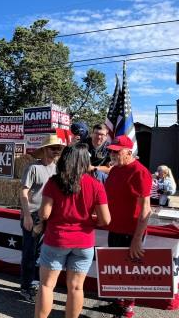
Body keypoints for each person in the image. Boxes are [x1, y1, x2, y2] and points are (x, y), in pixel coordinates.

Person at [34, 143, 110, 318]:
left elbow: (44, 214)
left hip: (56, 239)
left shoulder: (54, 182)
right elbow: (105, 219)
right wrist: (88, 220)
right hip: (84, 242)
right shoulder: (96, 185)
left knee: (46, 285)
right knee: (76, 287)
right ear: (85, 161)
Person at [103, 135, 152, 318]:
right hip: (115, 228)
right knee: (116, 270)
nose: (113, 153)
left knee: (130, 272)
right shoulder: (115, 170)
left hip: (131, 232)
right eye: (112, 150)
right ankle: (118, 302)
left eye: (117, 151)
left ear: (129, 152)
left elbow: (146, 209)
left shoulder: (140, 172)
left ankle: (128, 307)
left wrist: (137, 239)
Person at [19, 134, 64, 303]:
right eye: (53, 148)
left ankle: (34, 284)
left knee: (42, 254)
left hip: (48, 217)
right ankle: (26, 286)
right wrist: (27, 216)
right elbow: (23, 192)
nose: (56, 151)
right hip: (33, 216)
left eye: (58, 148)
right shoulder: (33, 168)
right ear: (44, 150)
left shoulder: (58, 169)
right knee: (29, 253)